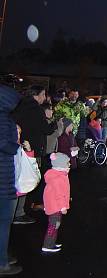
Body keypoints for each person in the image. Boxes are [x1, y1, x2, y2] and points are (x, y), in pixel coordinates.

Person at [11, 85, 55, 223]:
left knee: (17, 179)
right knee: (28, 179)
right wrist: (54, 124)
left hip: (17, 147)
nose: (44, 98)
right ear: (37, 95)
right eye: (43, 95)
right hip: (31, 149)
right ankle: (19, 213)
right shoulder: (37, 109)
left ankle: (14, 212)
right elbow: (46, 129)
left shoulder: (18, 106)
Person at [0, 85, 22, 275]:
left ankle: (3, 255)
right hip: (2, 177)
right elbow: (4, 145)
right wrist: (16, 146)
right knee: (3, 221)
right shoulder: (3, 119)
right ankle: (2, 263)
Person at [41, 152, 70, 253]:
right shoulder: (58, 178)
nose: (69, 165)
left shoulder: (55, 175)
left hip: (53, 205)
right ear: (61, 166)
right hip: (56, 207)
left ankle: (51, 242)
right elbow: (59, 194)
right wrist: (63, 206)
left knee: (55, 225)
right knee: (54, 226)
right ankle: (47, 245)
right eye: (67, 163)